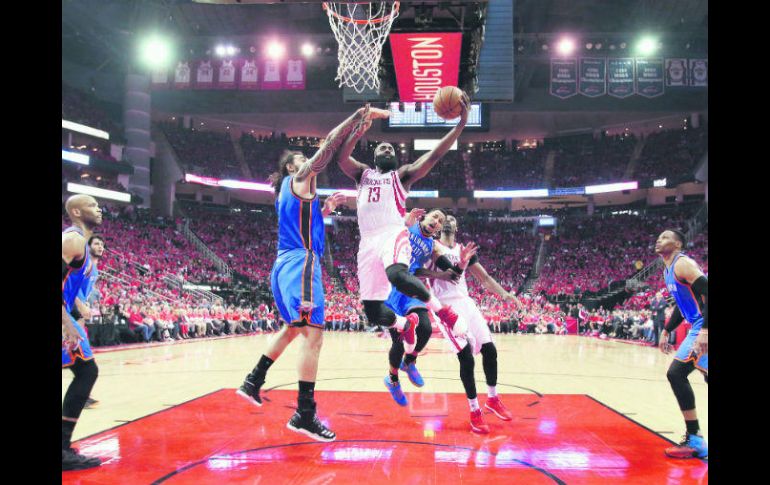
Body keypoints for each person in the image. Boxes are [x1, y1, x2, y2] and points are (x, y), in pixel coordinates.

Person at [237, 105, 387, 442]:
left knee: (293, 330)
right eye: (302, 159)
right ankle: (304, 414)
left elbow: (302, 222)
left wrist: (325, 209)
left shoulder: (293, 195)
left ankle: (252, 381)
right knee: (313, 336)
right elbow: (331, 144)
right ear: (292, 166)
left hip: (285, 264)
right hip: (301, 264)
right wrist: (358, 118)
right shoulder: (300, 177)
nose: (309, 162)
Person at [334, 91, 472, 350]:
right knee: (374, 314)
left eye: (390, 148)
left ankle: (443, 312)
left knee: (398, 275)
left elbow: (433, 156)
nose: (386, 147)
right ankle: (403, 325)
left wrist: (460, 125)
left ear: (396, 158)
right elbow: (341, 157)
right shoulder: (362, 174)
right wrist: (358, 130)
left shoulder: (402, 176)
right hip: (367, 242)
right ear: (374, 158)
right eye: (381, 147)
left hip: (392, 233)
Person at [424, 215, 521, 433]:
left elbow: (485, 279)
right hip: (446, 306)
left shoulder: (463, 249)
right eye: (443, 219)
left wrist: (505, 295)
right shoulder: (432, 247)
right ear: (438, 227)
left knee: (490, 349)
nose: (447, 221)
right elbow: (427, 272)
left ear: (457, 226)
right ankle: (474, 410)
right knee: (466, 356)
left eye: (451, 219)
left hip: (467, 303)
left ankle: (493, 399)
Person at [380, 208, 465, 406]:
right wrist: (403, 222)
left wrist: (457, 267)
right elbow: (388, 233)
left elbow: (440, 268)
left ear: (437, 230)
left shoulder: (432, 246)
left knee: (425, 329)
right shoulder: (407, 225)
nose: (437, 221)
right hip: (391, 287)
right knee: (399, 342)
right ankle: (392, 379)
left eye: (440, 221)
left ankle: (409, 362)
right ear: (424, 216)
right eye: (435, 216)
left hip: (412, 287)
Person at [655, 229, 708, 459]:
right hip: (697, 324)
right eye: (659, 237)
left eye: (666, 237)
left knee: (676, 373)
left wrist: (705, 330)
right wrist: (667, 329)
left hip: (702, 325)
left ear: (677, 244)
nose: (659, 239)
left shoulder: (683, 264)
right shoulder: (668, 269)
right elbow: (681, 304)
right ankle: (695, 439)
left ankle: (695, 438)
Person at [62, 194, 103, 470]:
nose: (98, 210)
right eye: (92, 205)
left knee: (87, 371)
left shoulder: (83, 246)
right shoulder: (72, 239)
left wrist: (76, 306)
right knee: (87, 372)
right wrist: (67, 322)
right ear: (76, 211)